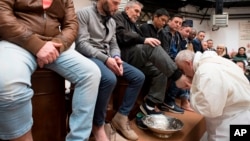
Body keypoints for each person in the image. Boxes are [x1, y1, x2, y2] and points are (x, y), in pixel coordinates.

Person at [0, 0, 101, 141]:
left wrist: (57, 45)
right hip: (18, 42)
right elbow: (3, 15)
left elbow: (71, 25)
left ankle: (78, 138)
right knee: (7, 84)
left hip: (54, 45)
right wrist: (36, 44)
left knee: (91, 73)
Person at [75, 0, 145, 140]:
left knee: (138, 77)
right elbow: (81, 44)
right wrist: (106, 60)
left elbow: (113, 44)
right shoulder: (83, 13)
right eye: (114, 2)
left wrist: (116, 57)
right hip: (90, 56)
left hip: (109, 58)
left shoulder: (111, 21)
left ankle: (121, 116)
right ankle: (98, 124)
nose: (117, 7)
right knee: (109, 78)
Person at [113, 0, 190, 116]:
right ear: (127, 9)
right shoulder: (118, 16)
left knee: (161, 70)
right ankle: (177, 76)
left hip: (136, 57)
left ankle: (149, 104)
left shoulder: (134, 24)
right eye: (136, 11)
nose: (138, 14)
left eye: (139, 12)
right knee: (152, 46)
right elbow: (121, 35)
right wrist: (144, 40)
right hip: (122, 55)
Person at [175, 50, 250, 141]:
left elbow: (210, 109)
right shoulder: (219, 61)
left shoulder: (206, 71)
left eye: (182, 69)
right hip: (242, 116)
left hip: (227, 125)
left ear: (188, 63)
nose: (184, 74)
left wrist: (193, 89)